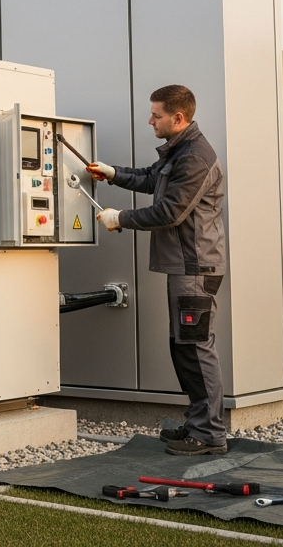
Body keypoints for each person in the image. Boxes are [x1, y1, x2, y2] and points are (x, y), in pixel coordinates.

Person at [85, 85, 227, 456]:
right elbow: (151, 179)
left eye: (156, 115)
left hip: (195, 268)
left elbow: (170, 212)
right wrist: (113, 173)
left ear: (178, 118)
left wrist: (120, 218)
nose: (150, 121)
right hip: (185, 267)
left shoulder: (195, 156)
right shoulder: (180, 151)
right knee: (183, 348)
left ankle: (210, 434)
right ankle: (198, 423)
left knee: (196, 349)